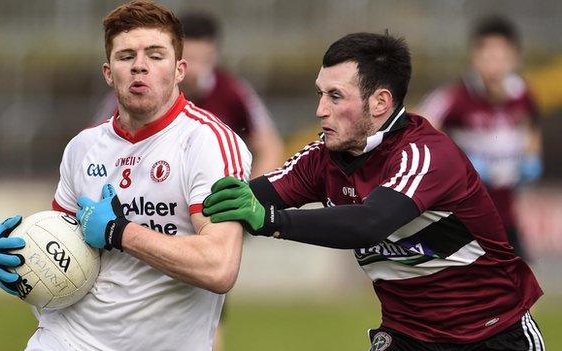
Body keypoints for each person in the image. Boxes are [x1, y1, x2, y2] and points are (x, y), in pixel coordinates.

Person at [202, 32, 546, 350]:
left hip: (494, 333)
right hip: (407, 336)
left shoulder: (425, 154)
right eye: (320, 94)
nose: (320, 109)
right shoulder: (321, 159)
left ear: (380, 102)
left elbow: (371, 222)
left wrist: (272, 221)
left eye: (335, 96)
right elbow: (246, 198)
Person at [0, 1, 251, 350]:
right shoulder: (82, 147)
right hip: (65, 339)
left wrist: (119, 232)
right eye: (125, 57)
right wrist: (11, 256)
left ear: (180, 69)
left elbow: (219, 267)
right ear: (108, 72)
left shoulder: (208, 143)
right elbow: (63, 250)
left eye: (155, 55)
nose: (139, 66)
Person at [93, 11, 284, 179]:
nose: (195, 71)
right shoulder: (135, 92)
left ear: (215, 56)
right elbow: (96, 147)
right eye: (190, 59)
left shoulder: (234, 92)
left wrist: (249, 199)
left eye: (204, 60)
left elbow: (270, 148)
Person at [416, 16, 543, 260]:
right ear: (475, 58)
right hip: (461, 216)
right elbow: (418, 131)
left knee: (520, 288)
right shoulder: (455, 97)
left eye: (501, 57)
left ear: (514, 58)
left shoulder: (523, 95)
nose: (494, 66)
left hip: (505, 215)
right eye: (488, 57)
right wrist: (459, 162)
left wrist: (531, 158)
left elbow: (532, 127)